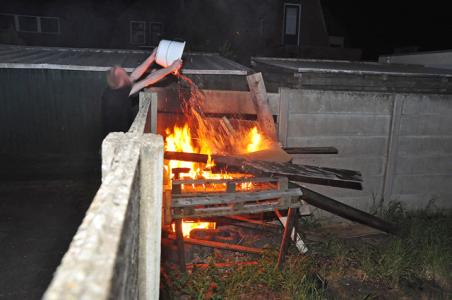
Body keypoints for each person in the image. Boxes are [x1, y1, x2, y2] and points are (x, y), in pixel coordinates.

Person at [101, 48, 182, 137]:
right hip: (117, 142)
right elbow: (149, 80)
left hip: (117, 136)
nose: (126, 73)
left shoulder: (115, 86)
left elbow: (134, 76)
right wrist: (171, 68)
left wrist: (152, 57)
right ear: (121, 81)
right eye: (124, 73)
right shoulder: (118, 95)